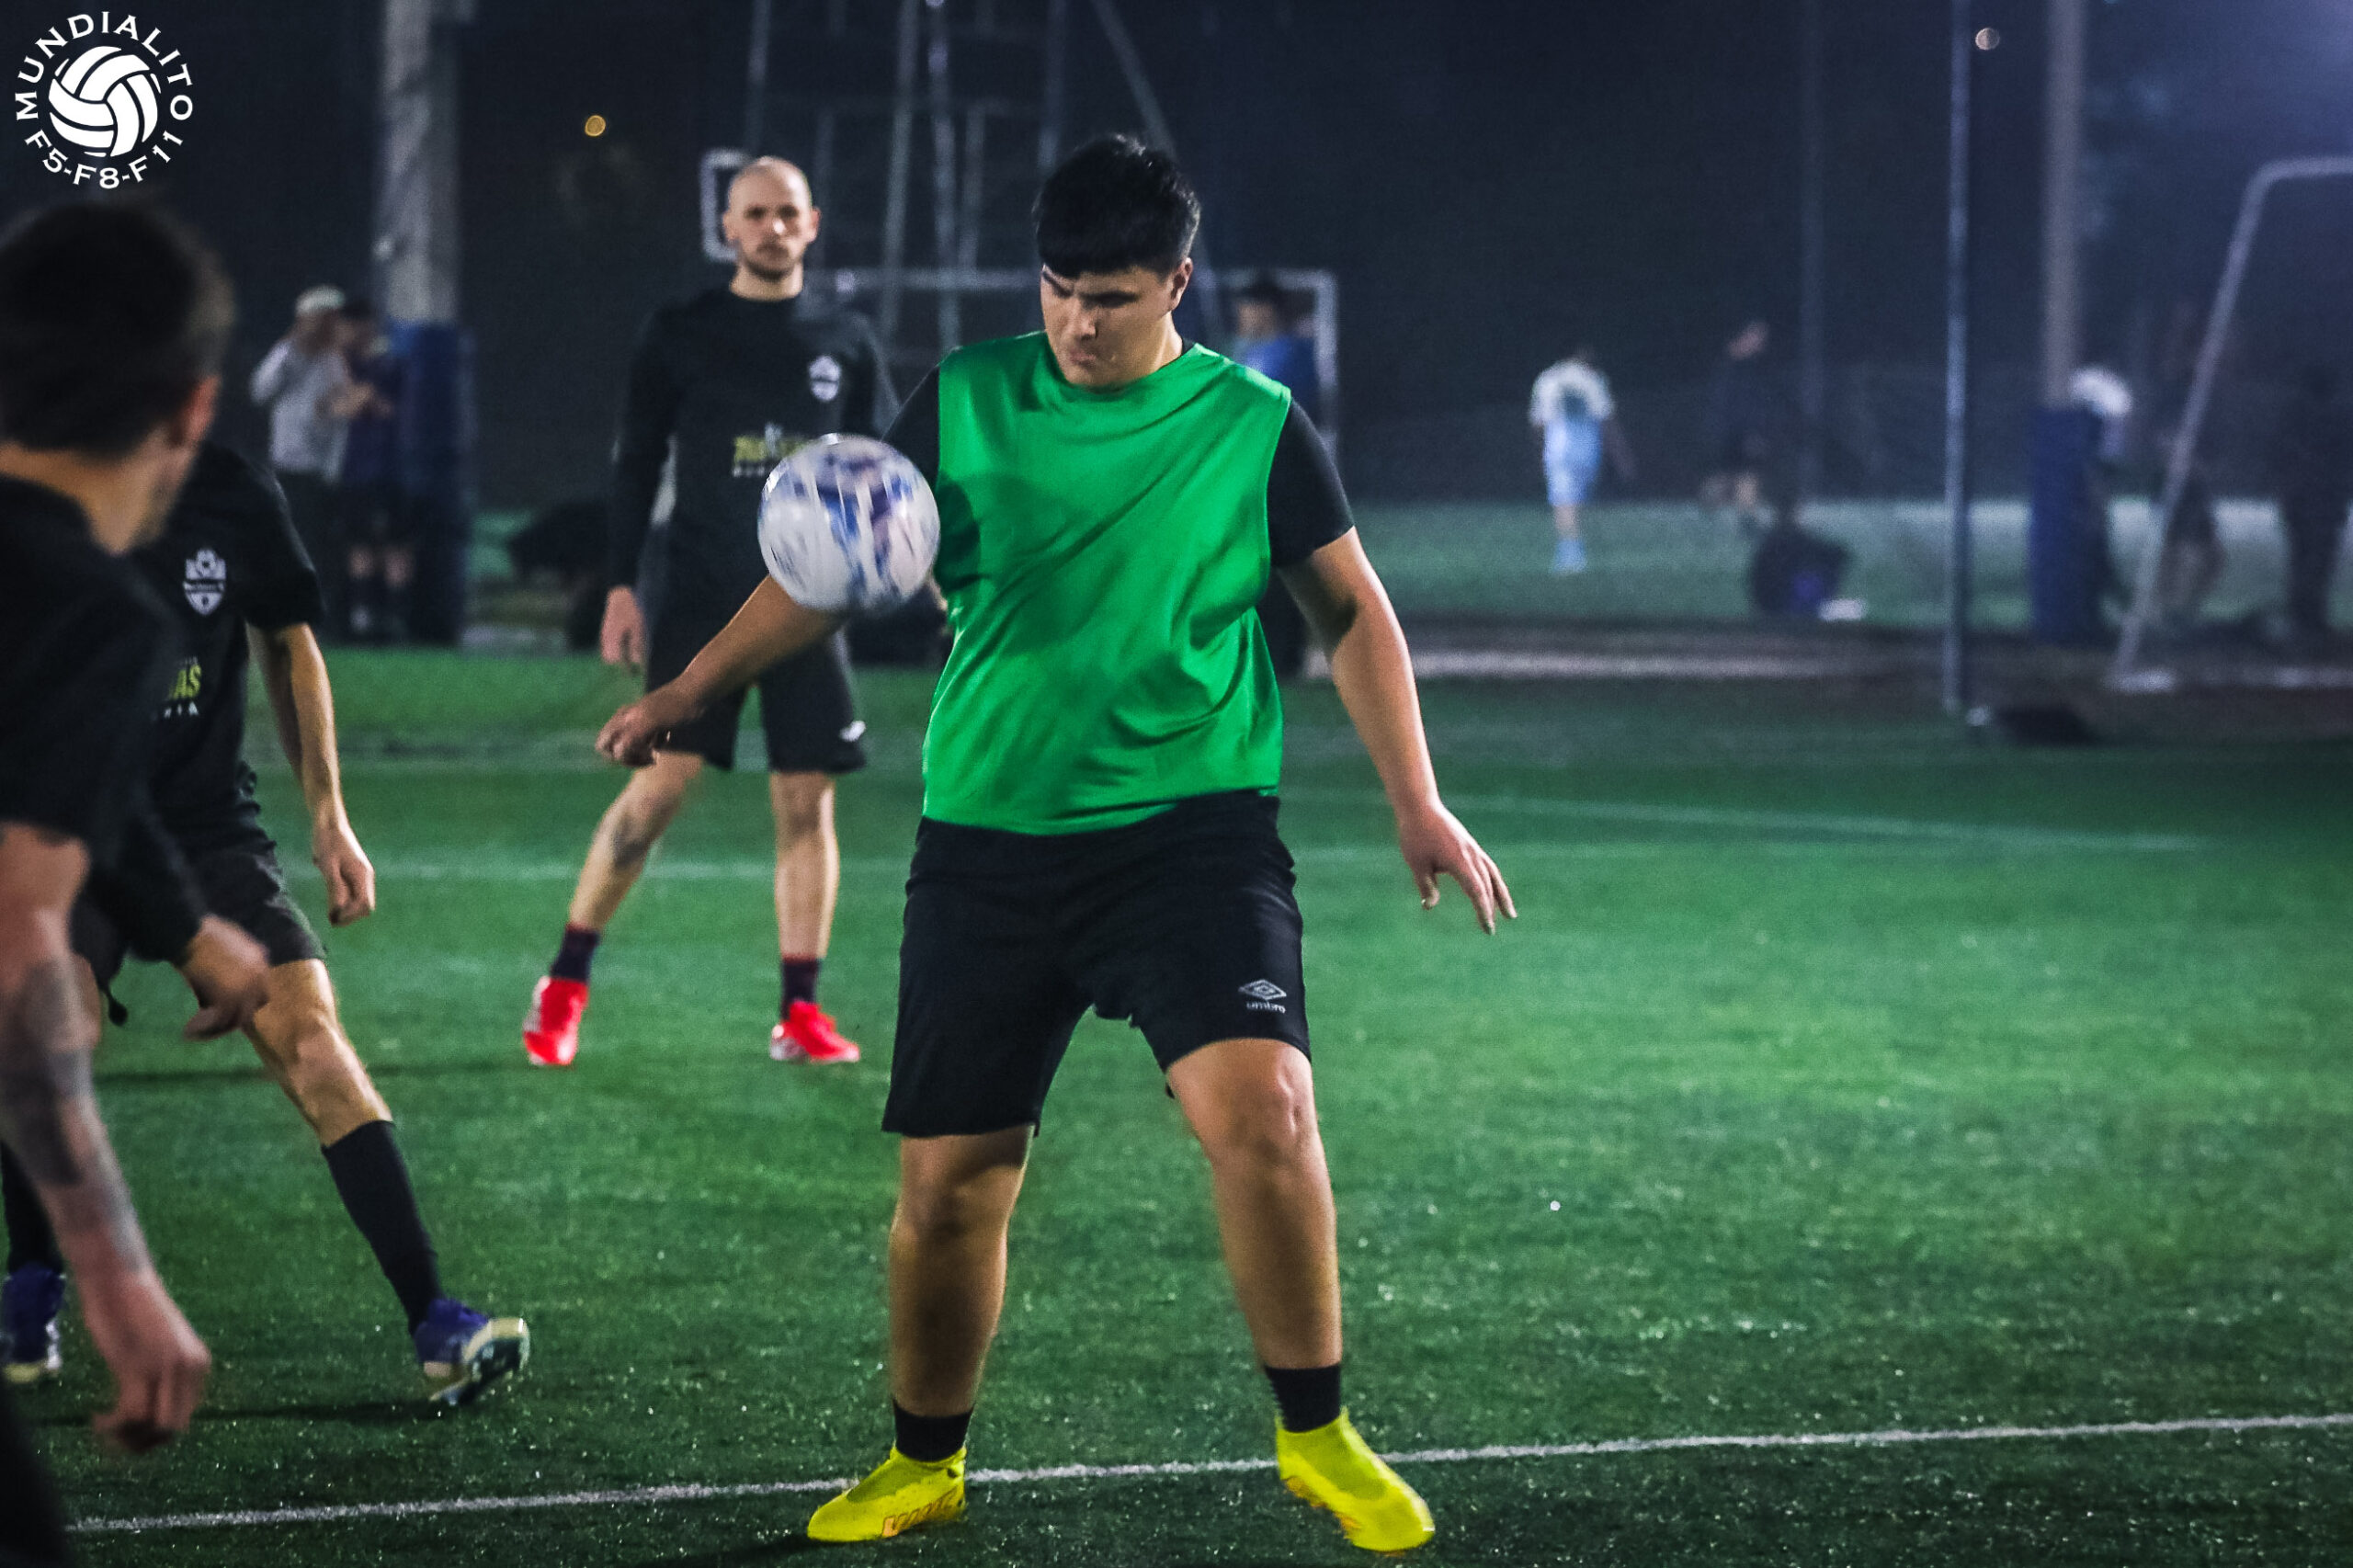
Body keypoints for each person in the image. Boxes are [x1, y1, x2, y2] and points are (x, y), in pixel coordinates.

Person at [597, 134, 1514, 1556]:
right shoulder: (964, 398)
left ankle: (1318, 1432)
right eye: (1060, 290)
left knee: (1266, 1113)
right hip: (991, 842)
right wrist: (689, 687)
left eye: (1114, 297)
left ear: (1177, 286)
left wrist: (1418, 797)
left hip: (1191, 837)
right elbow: (823, 573)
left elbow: (1353, 613)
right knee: (950, 1188)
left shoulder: (1254, 424)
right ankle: (923, 1460)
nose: (1080, 322)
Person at [0, 439, 529, 1406]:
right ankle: (31, 1284)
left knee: (313, 1038)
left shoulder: (230, 487)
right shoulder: (40, 489)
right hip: (73, 825)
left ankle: (436, 1321)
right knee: (43, 1035)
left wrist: (329, 815)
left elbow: (290, 642)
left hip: (209, 831)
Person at [0, 201, 267, 1568]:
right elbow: (15, 947)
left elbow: (43, 770)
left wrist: (181, 927)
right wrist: (113, 1273)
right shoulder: (91, 610)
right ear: (193, 406)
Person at [521, 156, 893, 1072]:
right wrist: (619, 586)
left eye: (787, 213)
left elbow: (883, 470)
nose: (772, 228)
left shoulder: (846, 340)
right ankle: (564, 984)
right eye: (754, 214)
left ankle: (800, 1011)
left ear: (813, 223)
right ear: (727, 228)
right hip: (698, 593)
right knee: (656, 792)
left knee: (806, 801)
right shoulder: (680, 332)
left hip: (808, 600)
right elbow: (635, 463)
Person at [250, 284, 354, 637]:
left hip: (318, 472)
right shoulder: (287, 354)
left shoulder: (334, 361)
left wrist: (333, 468)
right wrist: (294, 351)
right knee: (286, 545)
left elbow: (339, 422)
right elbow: (260, 390)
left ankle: (319, 619)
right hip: (286, 466)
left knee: (318, 547)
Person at [1233, 273, 1321, 676]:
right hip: (1249, 478)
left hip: (1279, 476)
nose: (1241, 317)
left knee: (1283, 567)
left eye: (1247, 308)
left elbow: (1278, 411)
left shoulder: (1291, 354)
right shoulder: (1248, 352)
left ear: (1265, 310)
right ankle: (1263, 652)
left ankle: (1286, 657)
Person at [335, 298, 410, 642]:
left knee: (395, 543)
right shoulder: (343, 362)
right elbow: (339, 407)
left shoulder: (385, 361)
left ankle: (395, 617)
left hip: (388, 469)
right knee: (360, 543)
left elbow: (358, 401)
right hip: (354, 470)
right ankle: (363, 615)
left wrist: (349, 401)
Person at [2266, 364, 2353, 647]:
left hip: (2300, 499)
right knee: (2318, 560)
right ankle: (2310, 617)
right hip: (2323, 501)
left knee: (2301, 558)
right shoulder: (2337, 420)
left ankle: (2302, 616)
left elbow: (2279, 454)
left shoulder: (2293, 418)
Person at [1529, 346, 1633, 574]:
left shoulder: (1548, 378)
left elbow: (1538, 423)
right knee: (1576, 500)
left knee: (1564, 501)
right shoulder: (1593, 378)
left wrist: (1539, 452)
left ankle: (1571, 553)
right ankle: (1575, 551)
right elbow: (1607, 421)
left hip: (1559, 445)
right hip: (1587, 447)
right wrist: (1620, 456)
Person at [1702, 319, 1775, 537]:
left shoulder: (1748, 366)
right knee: (1740, 474)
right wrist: (1750, 432)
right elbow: (1734, 404)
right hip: (1734, 431)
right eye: (1756, 336)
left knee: (1737, 474)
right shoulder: (1734, 367)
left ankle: (1740, 516)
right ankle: (1742, 518)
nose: (1760, 342)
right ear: (1742, 337)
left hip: (1732, 430)